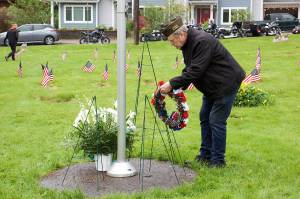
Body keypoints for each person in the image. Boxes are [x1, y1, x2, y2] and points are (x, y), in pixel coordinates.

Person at [158, 17, 245, 167]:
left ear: (181, 35)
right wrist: (175, 87)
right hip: (211, 86)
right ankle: (205, 155)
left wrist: (172, 83)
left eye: (172, 41)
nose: (172, 45)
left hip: (226, 83)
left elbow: (196, 71)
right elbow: (190, 68)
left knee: (216, 120)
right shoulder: (187, 44)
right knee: (205, 117)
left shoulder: (201, 41)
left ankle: (218, 161)